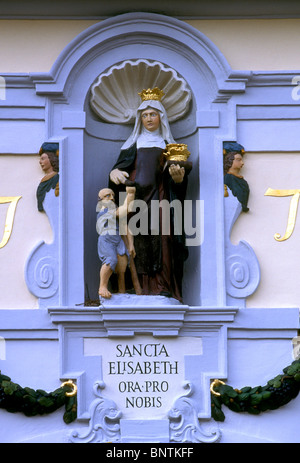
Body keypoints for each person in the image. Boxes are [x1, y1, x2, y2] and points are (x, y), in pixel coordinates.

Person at [108, 87, 189, 302]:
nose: (148, 119)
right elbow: (118, 171)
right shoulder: (132, 145)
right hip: (134, 200)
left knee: (163, 239)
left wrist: (178, 179)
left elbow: (177, 179)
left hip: (160, 197)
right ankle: (137, 288)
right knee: (136, 241)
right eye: (144, 115)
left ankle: (162, 286)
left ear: (161, 117)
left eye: (152, 114)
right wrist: (114, 172)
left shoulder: (168, 146)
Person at [96, 186, 141, 299]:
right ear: (100, 200)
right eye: (107, 196)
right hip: (107, 239)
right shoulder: (104, 210)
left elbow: (126, 228)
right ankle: (102, 286)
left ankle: (122, 292)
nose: (111, 198)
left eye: (113, 196)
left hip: (118, 240)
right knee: (111, 260)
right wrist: (130, 195)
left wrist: (131, 245)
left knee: (122, 266)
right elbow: (123, 210)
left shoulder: (115, 213)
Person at [223, 141, 249, 212]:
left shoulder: (242, 180)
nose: (242, 163)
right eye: (238, 160)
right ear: (230, 160)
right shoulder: (228, 178)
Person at [36, 142, 59, 212]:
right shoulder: (46, 179)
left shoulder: (56, 178)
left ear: (51, 159)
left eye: (43, 158)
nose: (40, 162)